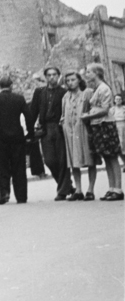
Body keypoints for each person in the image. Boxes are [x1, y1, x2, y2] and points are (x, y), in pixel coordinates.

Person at [0, 76, 33, 204]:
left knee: (2, 166)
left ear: (0, 86)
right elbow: (28, 116)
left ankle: (4, 193)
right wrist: (30, 133)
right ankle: (21, 196)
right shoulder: (19, 98)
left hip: (1, 136)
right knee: (19, 166)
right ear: (11, 86)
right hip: (17, 135)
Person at [81, 63, 123, 200]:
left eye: (88, 72)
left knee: (112, 157)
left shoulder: (104, 88)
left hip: (105, 124)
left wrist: (88, 115)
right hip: (98, 125)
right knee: (106, 157)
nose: (86, 74)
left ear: (96, 73)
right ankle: (111, 187)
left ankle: (118, 188)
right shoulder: (96, 88)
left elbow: (105, 110)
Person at [32, 66, 74, 200]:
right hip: (45, 129)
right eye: (49, 75)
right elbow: (33, 111)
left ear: (58, 76)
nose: (52, 77)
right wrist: (30, 129)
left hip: (60, 127)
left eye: (54, 75)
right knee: (49, 160)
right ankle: (67, 186)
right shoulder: (39, 92)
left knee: (62, 160)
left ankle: (62, 191)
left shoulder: (64, 92)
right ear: (45, 77)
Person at [59, 71, 97, 201]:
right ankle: (78, 189)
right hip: (70, 131)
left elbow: (94, 110)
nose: (70, 82)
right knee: (73, 161)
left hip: (84, 129)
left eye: (73, 80)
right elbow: (63, 113)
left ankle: (90, 189)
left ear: (79, 80)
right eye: (68, 80)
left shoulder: (87, 93)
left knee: (89, 159)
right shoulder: (65, 97)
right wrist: (63, 122)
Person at [111, 93, 125, 169]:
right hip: (116, 127)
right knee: (119, 145)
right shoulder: (112, 109)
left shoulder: (124, 108)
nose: (118, 101)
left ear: (122, 100)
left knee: (123, 145)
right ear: (114, 100)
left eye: (119, 99)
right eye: (116, 99)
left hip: (124, 126)